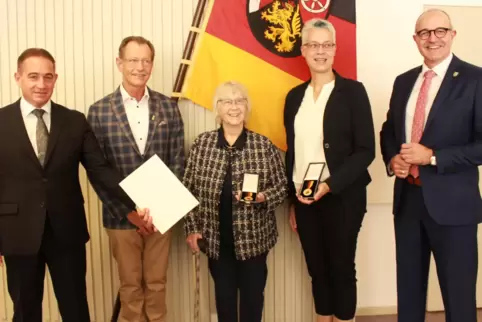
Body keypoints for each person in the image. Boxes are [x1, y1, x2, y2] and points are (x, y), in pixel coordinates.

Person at [0, 48, 149, 322]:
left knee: (76, 308)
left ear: (56, 78)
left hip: (66, 232)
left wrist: (138, 201)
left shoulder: (74, 121)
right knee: (24, 310)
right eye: (33, 76)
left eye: (48, 77)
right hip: (17, 233)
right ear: (17, 77)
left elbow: (100, 170)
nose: (41, 84)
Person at [380, 8, 482, 322]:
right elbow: (389, 131)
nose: (432, 38)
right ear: (415, 39)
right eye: (424, 33)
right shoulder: (404, 81)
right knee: (408, 293)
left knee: (458, 296)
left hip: (454, 206)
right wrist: (392, 159)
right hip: (408, 201)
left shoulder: (475, 79)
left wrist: (433, 156)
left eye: (440, 31)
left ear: (452, 35)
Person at [87, 36, 184, 322]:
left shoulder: (168, 107)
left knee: (156, 284)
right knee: (130, 287)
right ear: (120, 63)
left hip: (160, 217)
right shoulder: (99, 111)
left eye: (145, 60)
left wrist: (160, 209)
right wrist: (129, 212)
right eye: (132, 60)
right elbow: (97, 170)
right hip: (121, 218)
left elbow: (177, 159)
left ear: (152, 65)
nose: (139, 67)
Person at [284, 19, 375, 322]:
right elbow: (293, 153)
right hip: (304, 197)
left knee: (341, 268)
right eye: (313, 45)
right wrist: (292, 202)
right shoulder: (294, 97)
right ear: (303, 49)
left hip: (342, 196)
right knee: (317, 270)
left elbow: (366, 151)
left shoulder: (353, 92)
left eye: (326, 45)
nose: (320, 51)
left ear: (335, 49)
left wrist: (329, 185)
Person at [183, 81, 288, 322]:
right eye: (227, 101)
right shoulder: (202, 145)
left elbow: (282, 187)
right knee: (225, 304)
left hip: (254, 242)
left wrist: (263, 197)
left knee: (252, 303)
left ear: (247, 107)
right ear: (217, 109)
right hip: (216, 244)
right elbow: (188, 189)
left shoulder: (262, 145)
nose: (234, 107)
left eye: (240, 101)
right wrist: (192, 228)